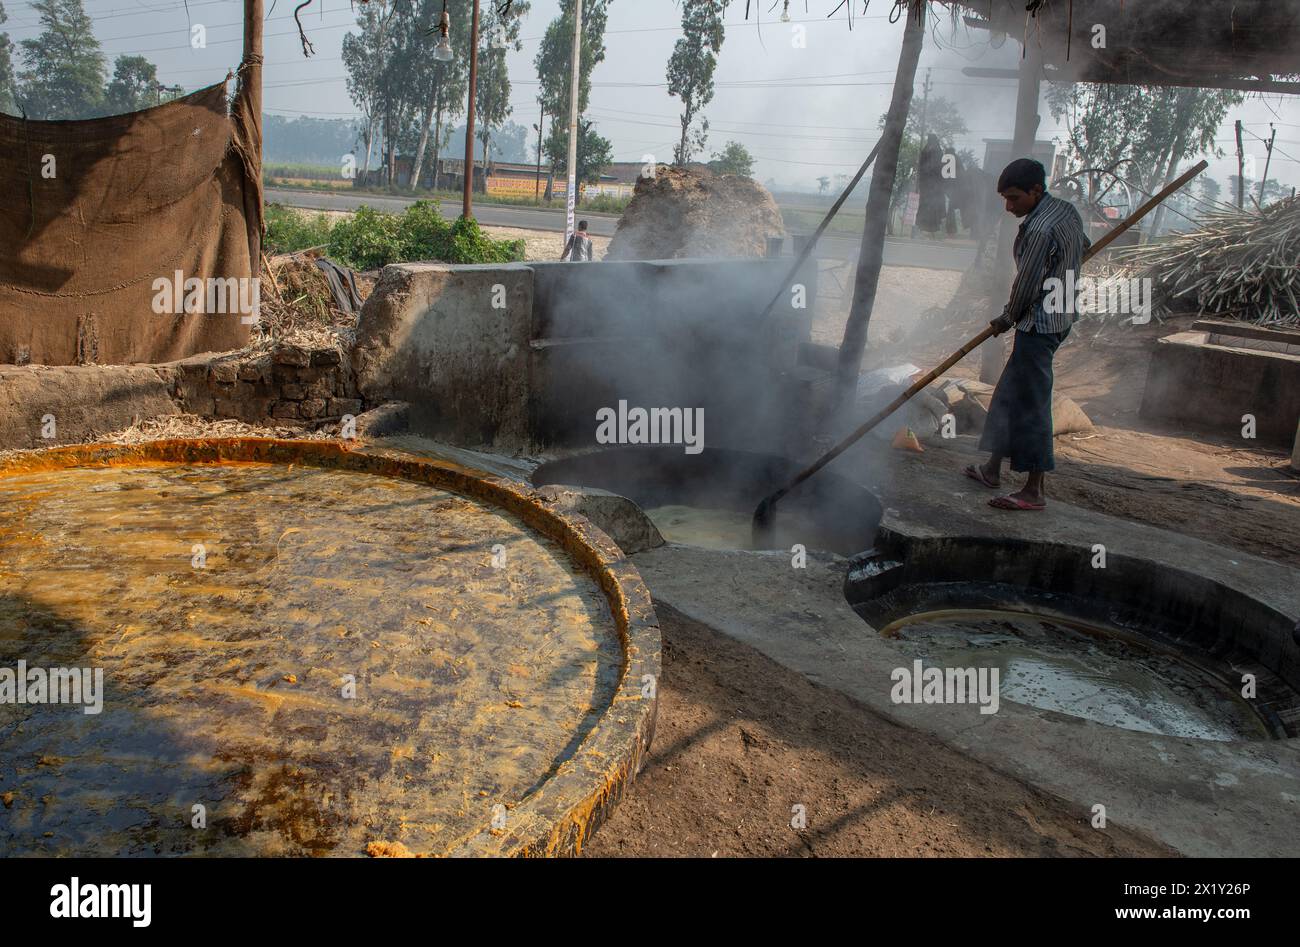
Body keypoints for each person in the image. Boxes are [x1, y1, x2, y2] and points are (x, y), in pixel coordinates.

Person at [963, 157, 1090, 511]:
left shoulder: (1038, 229)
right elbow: (1086, 246)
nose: (1009, 206)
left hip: (1039, 323)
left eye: (1015, 198)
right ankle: (991, 468)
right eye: (1005, 198)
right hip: (1060, 316)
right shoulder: (1066, 211)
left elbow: (1027, 284)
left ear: (1037, 190)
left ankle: (1034, 491)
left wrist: (1007, 318)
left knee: (1032, 405)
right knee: (1008, 393)